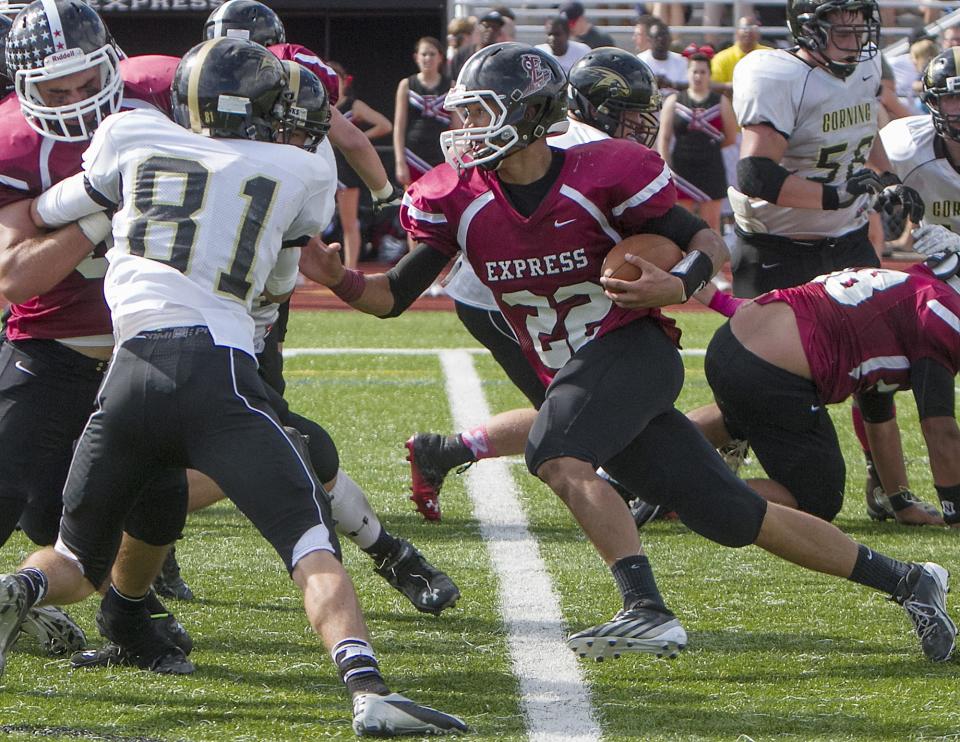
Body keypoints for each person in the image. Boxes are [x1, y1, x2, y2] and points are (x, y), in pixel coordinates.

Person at [298, 42, 957, 665]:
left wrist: (678, 281)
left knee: (554, 452)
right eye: (464, 113)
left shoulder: (604, 172)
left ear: (530, 116)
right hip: (578, 365)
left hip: (634, 350)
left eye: (481, 112)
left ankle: (645, 608)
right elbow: (391, 298)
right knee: (733, 514)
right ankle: (909, 581)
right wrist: (338, 280)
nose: (466, 128)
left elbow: (709, 243)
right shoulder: (460, 198)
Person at [0, 37, 468, 737]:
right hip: (216, 372)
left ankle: (20, 587)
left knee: (72, 557)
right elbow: (277, 289)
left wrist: (120, 206)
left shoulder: (130, 136)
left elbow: (42, 215)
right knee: (308, 541)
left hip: (125, 377)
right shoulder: (294, 168)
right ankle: (367, 687)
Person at [0, 0, 195, 660]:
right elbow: (13, 277)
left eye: (88, 83)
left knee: (159, 494)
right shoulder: (14, 141)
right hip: (52, 343)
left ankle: (129, 614)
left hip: (146, 344)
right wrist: (98, 209)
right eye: (58, 91)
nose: (79, 102)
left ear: (112, 61)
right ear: (24, 86)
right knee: (10, 484)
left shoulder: (164, 92)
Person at [409, 48, 663, 522]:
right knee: (571, 410)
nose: (640, 128)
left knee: (576, 404)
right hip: (508, 293)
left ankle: (444, 451)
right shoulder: (570, 144)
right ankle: (629, 480)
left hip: (544, 288)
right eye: (628, 117)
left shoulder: (601, 152)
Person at [727, 0, 938, 525]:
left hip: (843, 242)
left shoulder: (867, 67)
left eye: (857, 20)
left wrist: (886, 182)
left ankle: (894, 491)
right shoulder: (776, 73)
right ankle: (707, 459)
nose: (851, 31)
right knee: (759, 381)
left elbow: (864, 141)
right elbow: (754, 173)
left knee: (880, 373)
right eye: (837, 21)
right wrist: (837, 195)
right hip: (777, 247)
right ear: (807, 26)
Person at [704, 262, 960, 530]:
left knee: (744, 417)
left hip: (730, 346)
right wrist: (956, 513)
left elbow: (878, 414)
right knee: (817, 499)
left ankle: (663, 459)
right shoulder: (941, 312)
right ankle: (686, 489)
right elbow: (939, 429)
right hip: (770, 373)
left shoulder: (907, 290)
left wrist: (901, 502)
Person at [657, 51, 737, 231]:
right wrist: (667, 165)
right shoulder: (674, 100)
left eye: (702, 72)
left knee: (711, 226)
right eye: (694, 71)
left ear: (709, 75)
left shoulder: (721, 101)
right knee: (681, 225)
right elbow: (664, 137)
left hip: (711, 168)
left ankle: (713, 259)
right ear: (687, 73)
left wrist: (708, 149)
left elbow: (731, 137)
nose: (698, 76)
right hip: (681, 169)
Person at [328, 60, 393, 268]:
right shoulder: (317, 104)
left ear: (345, 82)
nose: (332, 83)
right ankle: (304, 268)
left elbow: (385, 125)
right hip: (324, 166)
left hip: (346, 169)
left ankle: (350, 268)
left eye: (336, 79)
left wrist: (358, 139)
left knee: (349, 222)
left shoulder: (353, 105)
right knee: (311, 221)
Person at [393, 36, 450, 190]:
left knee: (441, 202)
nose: (427, 58)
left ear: (440, 57)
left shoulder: (451, 86)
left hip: (441, 154)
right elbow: (399, 127)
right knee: (413, 202)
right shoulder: (406, 85)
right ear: (416, 57)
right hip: (413, 155)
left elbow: (457, 126)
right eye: (424, 54)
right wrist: (400, 161)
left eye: (432, 54)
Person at [710, 16, 768, 95]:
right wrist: (736, 87)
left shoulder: (769, 55)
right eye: (744, 27)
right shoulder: (721, 58)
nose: (747, 31)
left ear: (758, 32)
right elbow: (713, 84)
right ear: (736, 32)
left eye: (752, 27)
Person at [638, 20, 687, 96]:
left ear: (670, 39)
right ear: (649, 40)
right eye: (657, 37)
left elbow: (689, 86)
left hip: (676, 103)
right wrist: (653, 84)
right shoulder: (639, 61)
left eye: (664, 36)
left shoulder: (682, 60)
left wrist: (670, 84)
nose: (661, 39)